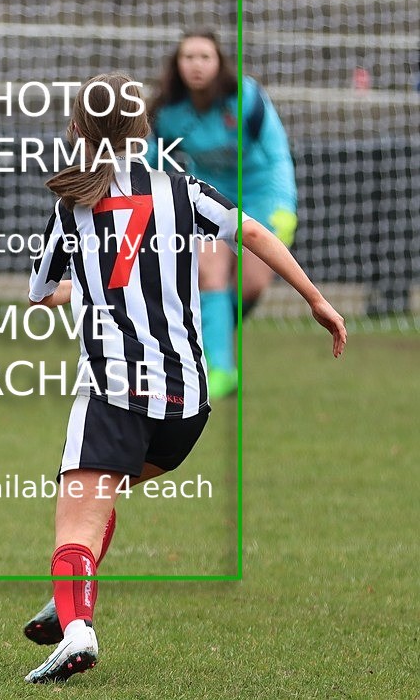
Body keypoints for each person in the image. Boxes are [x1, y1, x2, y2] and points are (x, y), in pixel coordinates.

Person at [21, 74, 345, 683]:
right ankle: (71, 599)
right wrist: (315, 300)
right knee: (101, 494)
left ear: (76, 130)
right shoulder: (183, 189)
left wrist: (81, 285)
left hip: (117, 388)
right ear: (146, 129)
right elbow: (249, 231)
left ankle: (78, 628)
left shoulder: (71, 207)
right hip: (187, 402)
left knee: (76, 519)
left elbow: (42, 292)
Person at [146, 30, 298, 399]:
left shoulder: (244, 98)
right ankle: (220, 370)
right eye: (188, 57)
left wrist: (283, 208)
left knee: (252, 286)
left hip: (264, 195)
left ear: (219, 63)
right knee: (209, 272)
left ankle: (206, 336)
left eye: (205, 57)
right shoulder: (169, 111)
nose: (196, 65)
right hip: (212, 197)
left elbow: (276, 154)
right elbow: (149, 160)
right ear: (177, 65)